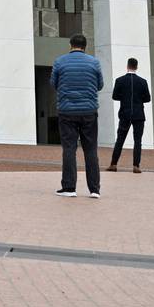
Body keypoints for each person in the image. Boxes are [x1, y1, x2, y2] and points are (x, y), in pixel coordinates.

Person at [51, 34, 103, 199]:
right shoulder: (94, 62)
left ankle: (69, 187)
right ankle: (94, 189)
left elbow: (54, 84)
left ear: (70, 45)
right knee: (91, 150)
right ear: (85, 46)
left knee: (69, 149)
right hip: (89, 111)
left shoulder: (60, 61)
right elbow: (100, 85)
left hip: (67, 111)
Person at [108, 56, 151, 174]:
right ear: (136, 67)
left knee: (120, 140)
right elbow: (147, 98)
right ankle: (136, 166)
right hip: (138, 114)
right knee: (138, 141)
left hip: (125, 113)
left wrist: (124, 97)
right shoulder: (143, 82)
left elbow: (115, 96)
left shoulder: (119, 80)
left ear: (127, 66)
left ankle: (113, 164)